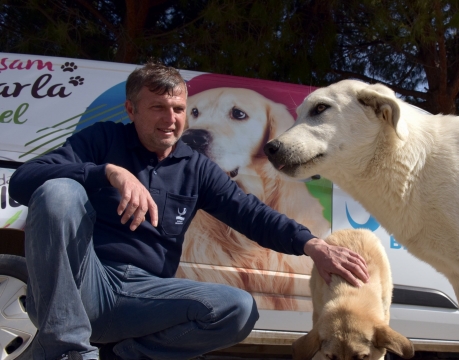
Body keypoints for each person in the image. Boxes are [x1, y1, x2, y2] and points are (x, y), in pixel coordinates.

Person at [9, 62, 369, 360]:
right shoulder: (102, 140)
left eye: (179, 109)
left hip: (144, 294)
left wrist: (312, 245)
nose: (171, 119)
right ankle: (65, 349)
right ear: (131, 110)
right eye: (157, 108)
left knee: (238, 309)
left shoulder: (195, 167)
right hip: (86, 279)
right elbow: (24, 179)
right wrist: (105, 172)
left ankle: (123, 356)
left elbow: (251, 213)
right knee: (59, 191)